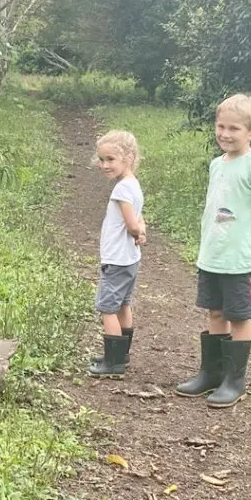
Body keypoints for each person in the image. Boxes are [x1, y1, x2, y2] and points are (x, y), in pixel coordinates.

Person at [174, 93, 251, 406]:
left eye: (234, 128)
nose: (225, 133)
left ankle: (235, 380)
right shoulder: (216, 165)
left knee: (240, 316)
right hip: (212, 255)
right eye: (220, 126)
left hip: (241, 260)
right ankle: (211, 373)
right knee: (215, 311)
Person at [89, 130, 146, 377]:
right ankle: (122, 354)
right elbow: (139, 218)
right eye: (101, 160)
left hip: (116, 259)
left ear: (129, 157)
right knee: (123, 304)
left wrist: (136, 232)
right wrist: (141, 232)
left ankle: (113, 363)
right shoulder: (133, 185)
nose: (104, 165)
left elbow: (131, 223)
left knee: (107, 308)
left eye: (110, 159)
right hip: (130, 260)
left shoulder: (121, 190)